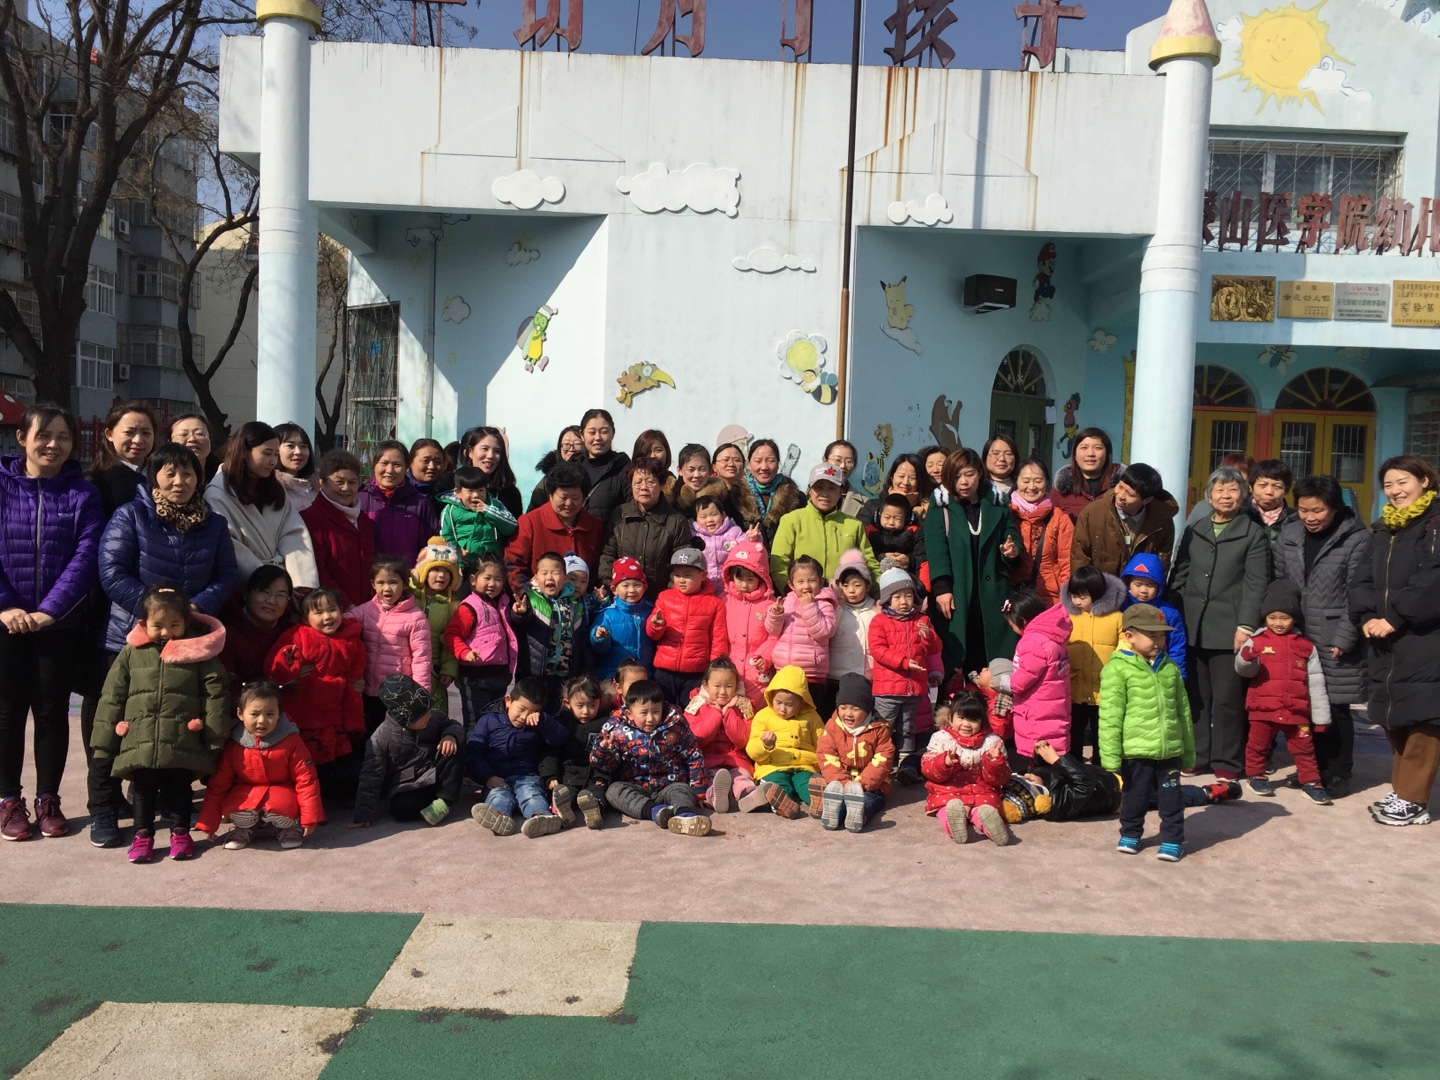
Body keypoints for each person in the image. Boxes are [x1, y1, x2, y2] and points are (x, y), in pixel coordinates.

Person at [90, 442, 238, 846]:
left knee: (176, 724)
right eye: (169, 472)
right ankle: (104, 808)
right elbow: (111, 570)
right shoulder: (132, 515)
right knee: (113, 724)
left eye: (187, 473)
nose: (179, 481)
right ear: (153, 476)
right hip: (133, 637)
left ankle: (172, 807)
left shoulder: (214, 523)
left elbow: (226, 574)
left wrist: (192, 612)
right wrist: (155, 611)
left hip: (188, 642)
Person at [0, 405, 105, 843]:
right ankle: (9, 800)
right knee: (7, 713)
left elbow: (87, 555)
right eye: (44, 435)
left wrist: (51, 611)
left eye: (63, 437)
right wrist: (6, 606)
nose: (53, 445)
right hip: (5, 624)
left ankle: (48, 799)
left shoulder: (83, 493)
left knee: (51, 711)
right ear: (22, 437)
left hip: (58, 626)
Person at [89, 586, 229, 863]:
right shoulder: (131, 653)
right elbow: (112, 697)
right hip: (140, 737)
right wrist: (105, 741)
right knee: (143, 789)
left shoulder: (199, 652)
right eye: (158, 625)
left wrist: (214, 737)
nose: (166, 632)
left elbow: (216, 693)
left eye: (174, 624)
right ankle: (142, 835)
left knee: (180, 786)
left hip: (182, 736)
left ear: (186, 622)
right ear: (144, 623)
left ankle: (180, 833)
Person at [1351, 455, 1440, 827]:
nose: (1395, 490)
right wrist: (1367, 616)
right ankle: (1403, 788)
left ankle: (1413, 799)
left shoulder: (1434, 523)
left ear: (1424, 481)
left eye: (1403, 482)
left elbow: (1433, 578)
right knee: (1394, 714)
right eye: (1388, 484)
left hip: (1424, 638)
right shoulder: (1384, 528)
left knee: (1424, 718)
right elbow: (1362, 578)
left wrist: (1395, 617)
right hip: (1385, 639)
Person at [1171, 466, 1270, 780]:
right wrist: (1171, 616)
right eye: (1219, 490)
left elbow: (1256, 583)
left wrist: (1246, 626)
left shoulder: (1252, 533)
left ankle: (1228, 761)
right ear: (1209, 496)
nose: (1226, 496)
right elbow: (1180, 574)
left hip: (1229, 627)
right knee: (1195, 697)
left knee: (1228, 700)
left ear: (1243, 495)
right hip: (1192, 624)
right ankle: (1196, 755)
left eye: (1233, 490)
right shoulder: (1196, 528)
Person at [1272, 475, 1365, 797]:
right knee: (1304, 705)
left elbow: (1358, 592)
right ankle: (1311, 770)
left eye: (1318, 510)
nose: (1310, 517)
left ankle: (1338, 772)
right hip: (1298, 633)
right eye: (1303, 510)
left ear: (1335, 508)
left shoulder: (1356, 538)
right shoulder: (1290, 534)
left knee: (1335, 706)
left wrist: (1345, 636)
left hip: (1334, 635)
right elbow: (1280, 582)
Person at [1099, 604, 1194, 861]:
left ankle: (1173, 839)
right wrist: (1110, 756)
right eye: (1152, 635)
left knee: (1172, 798)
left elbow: (1183, 712)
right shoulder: (1117, 669)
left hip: (1169, 751)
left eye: (1161, 635)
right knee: (1134, 797)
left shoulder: (1170, 668)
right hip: (1136, 751)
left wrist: (1188, 752)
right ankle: (1130, 833)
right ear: (1129, 636)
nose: (1158, 641)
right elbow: (1110, 716)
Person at [924, 448, 1022, 673]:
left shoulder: (996, 503)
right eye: (957, 476)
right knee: (957, 656)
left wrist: (1012, 550)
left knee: (993, 657)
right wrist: (942, 588)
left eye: (969, 474)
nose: (964, 482)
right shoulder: (941, 505)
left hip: (993, 594)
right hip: (956, 593)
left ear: (979, 473)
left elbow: (1012, 535)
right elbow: (936, 549)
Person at [195, 680, 324, 850]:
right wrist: (209, 823)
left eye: (270, 714)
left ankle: (290, 828)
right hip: (246, 793)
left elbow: (306, 780)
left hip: (283, 793)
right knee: (238, 810)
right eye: (255, 714)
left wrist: (309, 818)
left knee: (281, 809)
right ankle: (244, 828)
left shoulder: (292, 741)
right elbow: (218, 785)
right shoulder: (234, 744)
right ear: (240, 713)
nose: (262, 721)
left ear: (279, 714)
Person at [1235, 581, 1332, 804]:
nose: (1278, 623)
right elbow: (1243, 669)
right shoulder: (1256, 642)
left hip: (1296, 711)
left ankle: (1311, 782)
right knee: (1257, 746)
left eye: (1285, 618)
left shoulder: (1306, 646)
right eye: (1272, 617)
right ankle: (1255, 775)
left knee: (1304, 749)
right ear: (1265, 618)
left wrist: (1321, 718)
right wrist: (1247, 658)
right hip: (1263, 709)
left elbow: (1316, 684)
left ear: (1295, 618)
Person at [266, 587, 367, 799]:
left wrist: (353, 720)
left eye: (332, 610)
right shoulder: (297, 635)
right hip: (302, 714)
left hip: (335, 717)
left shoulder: (352, 640)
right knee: (303, 765)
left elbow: (354, 679)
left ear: (341, 611)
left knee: (340, 767)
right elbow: (275, 669)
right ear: (306, 618)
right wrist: (289, 667)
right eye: (319, 612)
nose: (327, 617)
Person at [1002, 738, 1238, 825]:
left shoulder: (1039, 777)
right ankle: (1207, 793)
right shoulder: (1057, 805)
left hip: (1111, 777)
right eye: (1028, 780)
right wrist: (1057, 759)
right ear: (1037, 794)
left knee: (1154, 775)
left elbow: (1045, 770)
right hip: (1119, 797)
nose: (1027, 774)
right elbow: (1083, 783)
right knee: (1165, 795)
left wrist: (1039, 754)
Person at [588, 678, 712, 835]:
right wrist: (604, 750)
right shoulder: (615, 728)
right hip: (636, 786)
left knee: (682, 790)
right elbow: (604, 766)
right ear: (629, 713)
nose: (650, 718)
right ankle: (656, 811)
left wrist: (699, 789)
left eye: (655, 712)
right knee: (614, 791)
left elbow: (693, 754)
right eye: (643, 713)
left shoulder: (674, 724)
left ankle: (685, 816)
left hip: (669, 784)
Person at [205, 421, 320, 589]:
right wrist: (272, 582)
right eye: (267, 453)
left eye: (275, 454)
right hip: (248, 585)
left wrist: (300, 584)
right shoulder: (218, 492)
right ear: (244, 452)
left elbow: (294, 534)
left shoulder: (276, 489)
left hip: (286, 583)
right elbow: (230, 545)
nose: (273, 461)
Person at [351, 674, 464, 830]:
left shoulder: (434, 717)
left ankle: (445, 801)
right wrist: (363, 815)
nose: (429, 716)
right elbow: (371, 777)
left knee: (456, 746)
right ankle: (436, 798)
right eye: (422, 717)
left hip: (436, 770)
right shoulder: (380, 739)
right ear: (405, 719)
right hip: (410, 784)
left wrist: (450, 735)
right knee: (401, 809)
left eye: (428, 710)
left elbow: (453, 725)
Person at [466, 675, 571, 839]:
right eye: (521, 709)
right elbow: (474, 752)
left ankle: (541, 817)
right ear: (508, 700)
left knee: (531, 794)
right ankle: (500, 817)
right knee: (498, 795)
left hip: (527, 776)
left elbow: (561, 738)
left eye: (533, 711)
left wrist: (544, 720)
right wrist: (487, 776)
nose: (524, 716)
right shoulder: (488, 721)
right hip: (497, 777)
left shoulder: (538, 725)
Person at [868, 566, 942, 778]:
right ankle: (876, 761)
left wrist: (928, 637)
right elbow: (877, 650)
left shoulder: (922, 620)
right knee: (883, 726)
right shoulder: (879, 621)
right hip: (887, 689)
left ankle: (905, 765)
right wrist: (904, 662)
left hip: (913, 689)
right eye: (897, 597)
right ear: (887, 600)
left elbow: (935, 649)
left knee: (908, 728)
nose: (904, 601)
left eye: (908, 596)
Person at [352, 554, 433, 734]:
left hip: (398, 694)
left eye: (393, 582)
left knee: (395, 737)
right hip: (368, 690)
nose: (387, 588)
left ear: (405, 584)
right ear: (373, 584)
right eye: (380, 582)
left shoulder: (416, 618)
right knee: (369, 735)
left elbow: (422, 659)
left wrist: (421, 696)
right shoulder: (366, 610)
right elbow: (342, 623)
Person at [920, 690, 1012, 846]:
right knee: (949, 806)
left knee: (985, 806)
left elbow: (1000, 780)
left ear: (982, 720)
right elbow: (928, 769)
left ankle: (991, 824)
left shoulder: (992, 742)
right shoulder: (941, 738)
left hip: (981, 788)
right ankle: (954, 824)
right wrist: (945, 762)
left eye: (973, 719)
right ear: (950, 718)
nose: (966, 724)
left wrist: (995, 762)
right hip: (948, 788)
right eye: (961, 718)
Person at [769, 463, 879, 593]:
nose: (825, 494)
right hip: (802, 600)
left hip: (844, 601)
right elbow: (779, 563)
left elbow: (870, 566)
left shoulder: (854, 525)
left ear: (841, 492)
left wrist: (879, 596)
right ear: (810, 490)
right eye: (819, 488)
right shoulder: (791, 521)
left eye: (831, 488)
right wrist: (792, 593)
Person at [995, 589, 1072, 768]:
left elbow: (1024, 678)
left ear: (1022, 621)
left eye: (1012, 625)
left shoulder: (1033, 641)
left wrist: (1000, 682)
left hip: (1038, 713)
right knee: (1053, 758)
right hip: (1053, 708)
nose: (1012, 629)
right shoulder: (1053, 635)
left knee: (1040, 762)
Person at [444, 553, 519, 733]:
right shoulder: (469, 606)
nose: (492, 584)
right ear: (472, 580)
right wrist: (465, 652)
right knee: (476, 723)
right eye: (487, 578)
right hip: (475, 678)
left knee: (495, 722)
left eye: (498, 579)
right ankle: (472, 751)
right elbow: (452, 635)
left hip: (500, 676)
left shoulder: (503, 604)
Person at [504, 462, 604, 594]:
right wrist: (529, 595)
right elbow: (512, 564)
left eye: (575, 498)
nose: (569, 503)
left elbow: (597, 569)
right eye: (563, 497)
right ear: (551, 495)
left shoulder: (594, 526)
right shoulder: (530, 522)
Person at [646, 547, 728, 706]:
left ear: (703, 575)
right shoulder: (665, 597)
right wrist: (656, 625)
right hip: (664, 670)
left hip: (695, 674)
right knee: (662, 709)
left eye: (687, 575)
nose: (681, 580)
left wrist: (714, 670)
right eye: (677, 575)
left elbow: (718, 640)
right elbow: (652, 634)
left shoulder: (715, 604)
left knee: (691, 712)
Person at [739, 665, 823, 819]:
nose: (783, 709)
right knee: (777, 785)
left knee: (807, 783)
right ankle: (782, 804)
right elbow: (752, 750)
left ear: (801, 702)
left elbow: (822, 745)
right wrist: (765, 745)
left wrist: (823, 765)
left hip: (804, 766)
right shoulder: (763, 716)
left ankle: (820, 802)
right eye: (778, 702)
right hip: (773, 766)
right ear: (771, 697)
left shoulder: (812, 717)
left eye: (789, 705)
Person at [598, 459, 691, 598]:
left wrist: (667, 598)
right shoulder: (620, 514)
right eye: (638, 482)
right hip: (623, 599)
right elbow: (608, 555)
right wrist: (612, 589)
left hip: (660, 600)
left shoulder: (676, 521)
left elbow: (680, 565)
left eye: (650, 482)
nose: (643, 487)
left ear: (662, 484)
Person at [1062, 566, 1127, 765]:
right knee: (1074, 733)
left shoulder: (1116, 617)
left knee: (1103, 735)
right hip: (1075, 688)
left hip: (1104, 689)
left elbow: (1125, 646)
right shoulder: (1067, 616)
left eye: (1082, 596)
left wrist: (1116, 672)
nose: (1077, 601)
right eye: (1074, 596)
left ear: (1097, 593)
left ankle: (1101, 769)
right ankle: (1074, 769)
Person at [509, 551, 589, 709]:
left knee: (558, 715)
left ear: (565, 578)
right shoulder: (530, 598)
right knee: (532, 713)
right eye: (544, 573)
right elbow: (519, 622)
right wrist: (520, 613)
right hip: (534, 673)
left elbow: (580, 639)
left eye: (556, 573)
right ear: (536, 577)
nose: (550, 577)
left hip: (564, 675)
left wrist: (582, 670)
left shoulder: (574, 603)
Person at [1070, 462, 1178, 578]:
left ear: (1147, 500)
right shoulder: (1093, 513)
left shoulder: (1162, 522)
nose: (1121, 496)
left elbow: (1161, 566)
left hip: (1140, 588)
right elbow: (1079, 558)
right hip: (1101, 587)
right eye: (1120, 487)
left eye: (1130, 494)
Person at [815, 673, 893, 833]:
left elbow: (883, 759)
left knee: (870, 801)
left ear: (867, 708)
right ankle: (833, 813)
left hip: (871, 785)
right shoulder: (833, 726)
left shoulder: (879, 728)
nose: (848, 713)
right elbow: (826, 755)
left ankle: (859, 815)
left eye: (855, 709)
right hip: (840, 780)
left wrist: (861, 784)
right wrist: (843, 782)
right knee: (837, 795)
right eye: (843, 707)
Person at [301, 449, 376, 609]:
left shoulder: (363, 519)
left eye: (352, 482)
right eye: (339, 482)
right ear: (322, 482)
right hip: (332, 610)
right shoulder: (311, 518)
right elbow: (317, 570)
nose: (346, 488)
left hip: (367, 609)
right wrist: (345, 604)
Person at [764, 555, 838, 716]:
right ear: (791, 585)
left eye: (811, 581)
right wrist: (775, 614)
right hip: (784, 671)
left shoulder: (825, 603)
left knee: (809, 716)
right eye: (800, 582)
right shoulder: (788, 601)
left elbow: (823, 632)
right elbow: (773, 631)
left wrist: (809, 606)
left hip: (811, 674)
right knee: (784, 715)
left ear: (821, 581)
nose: (806, 586)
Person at [684, 658, 756, 812]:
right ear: (706, 686)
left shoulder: (743, 706)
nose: (723, 692)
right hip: (707, 759)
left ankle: (749, 795)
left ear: (736, 686)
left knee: (741, 777)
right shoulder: (696, 705)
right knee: (711, 778)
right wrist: (716, 714)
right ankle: (716, 797)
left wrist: (728, 712)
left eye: (729, 686)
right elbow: (698, 738)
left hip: (735, 758)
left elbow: (742, 740)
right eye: (717, 686)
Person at [539, 675, 609, 829]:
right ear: (567, 703)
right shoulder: (560, 724)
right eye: (580, 706)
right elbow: (551, 752)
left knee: (596, 793)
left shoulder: (606, 723)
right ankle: (563, 812)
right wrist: (550, 775)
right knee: (564, 794)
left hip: (594, 774)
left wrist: (603, 776)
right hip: (568, 775)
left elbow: (611, 756)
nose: (586, 711)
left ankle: (595, 810)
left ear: (600, 702)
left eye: (592, 705)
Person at [357, 439, 440, 565]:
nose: (390, 470)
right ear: (374, 465)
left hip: (408, 575)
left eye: (397, 465)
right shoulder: (359, 500)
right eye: (384, 463)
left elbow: (430, 546)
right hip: (370, 575)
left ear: (406, 467)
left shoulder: (420, 503)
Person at [720, 540, 777, 708]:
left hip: (757, 672)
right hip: (730, 671)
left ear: (761, 577)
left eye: (750, 579)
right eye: (739, 579)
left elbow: (775, 636)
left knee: (757, 712)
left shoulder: (769, 604)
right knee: (731, 713)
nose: (744, 585)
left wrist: (765, 656)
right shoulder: (724, 600)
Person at [1009, 457, 1073, 605]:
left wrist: (1065, 600)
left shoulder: (1059, 518)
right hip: (1015, 600)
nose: (1032, 487)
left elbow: (1067, 563)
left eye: (1038, 481)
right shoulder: (1007, 515)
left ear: (1047, 482)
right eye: (1026, 481)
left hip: (1051, 600)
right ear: (1016, 482)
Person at [439, 466, 519, 573]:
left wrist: (488, 511)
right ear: (458, 492)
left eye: (481, 490)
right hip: (464, 565)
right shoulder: (450, 510)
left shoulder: (494, 505)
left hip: (492, 565)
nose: (476, 495)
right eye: (470, 491)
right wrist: (458, 556)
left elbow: (512, 527)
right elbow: (446, 536)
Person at [1119, 554, 1188, 679]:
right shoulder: (1120, 607)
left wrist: (1178, 676)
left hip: (1158, 671)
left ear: (1159, 586)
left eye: (1150, 585)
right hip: (1123, 670)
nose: (1144, 590)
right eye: (1138, 584)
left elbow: (1176, 647)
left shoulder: (1169, 613)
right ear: (1128, 583)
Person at [88, 400, 159, 515]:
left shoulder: (163, 474)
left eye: (146, 433)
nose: (138, 440)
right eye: (129, 432)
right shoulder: (96, 480)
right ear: (109, 434)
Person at [589, 557, 654, 682]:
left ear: (645, 587)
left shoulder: (652, 611)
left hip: (644, 676)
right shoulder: (607, 614)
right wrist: (599, 637)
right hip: (614, 676)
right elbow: (600, 649)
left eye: (637, 585)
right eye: (625, 586)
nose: (632, 590)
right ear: (615, 590)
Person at [733, 439, 804, 549]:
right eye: (758, 461)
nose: (764, 467)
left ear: (778, 463)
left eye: (770, 461)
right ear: (749, 464)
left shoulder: (796, 498)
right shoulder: (735, 496)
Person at [412, 539, 462, 695]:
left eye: (447, 571)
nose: (442, 575)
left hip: (434, 670)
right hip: (406, 665)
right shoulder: (408, 597)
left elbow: (451, 639)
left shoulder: (453, 606)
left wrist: (448, 669)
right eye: (436, 569)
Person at [452, 426, 523, 520]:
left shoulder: (510, 494)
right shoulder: (450, 483)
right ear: (470, 452)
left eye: (497, 451)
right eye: (485, 449)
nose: (490, 456)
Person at [1051, 428, 1123, 520]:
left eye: (1098, 448)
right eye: (1084, 448)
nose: (1090, 454)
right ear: (1075, 455)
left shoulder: (1122, 488)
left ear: (1107, 454)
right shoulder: (1060, 491)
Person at [574, 410, 630, 526]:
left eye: (604, 432)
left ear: (613, 433)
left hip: (609, 537)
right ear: (582, 435)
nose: (598, 437)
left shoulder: (625, 470)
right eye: (592, 432)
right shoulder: (572, 468)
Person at [829, 549, 876, 683]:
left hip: (867, 676)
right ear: (838, 586)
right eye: (845, 585)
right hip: (837, 677)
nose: (851, 590)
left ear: (867, 586)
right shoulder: (835, 610)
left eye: (857, 585)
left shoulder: (875, 611)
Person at [691, 494, 746, 593]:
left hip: (728, 585)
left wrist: (753, 538)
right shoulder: (693, 534)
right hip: (702, 585)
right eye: (703, 517)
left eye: (714, 514)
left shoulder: (733, 531)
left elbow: (748, 547)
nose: (709, 520)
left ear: (723, 515)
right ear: (696, 519)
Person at [527, 426, 585, 512]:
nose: (571, 449)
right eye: (566, 444)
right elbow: (534, 511)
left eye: (577, 444)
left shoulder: (593, 474)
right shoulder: (548, 479)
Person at [671, 443, 737, 520]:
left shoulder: (723, 497)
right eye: (691, 470)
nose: (696, 475)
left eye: (702, 469)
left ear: (710, 469)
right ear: (679, 470)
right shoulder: (672, 498)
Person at [1245, 460, 1297, 551]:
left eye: (1276, 486)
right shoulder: (1241, 516)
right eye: (1263, 485)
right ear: (1251, 487)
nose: (1269, 492)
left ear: (1286, 490)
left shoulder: (1295, 519)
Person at [866, 494, 923, 573]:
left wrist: (910, 560)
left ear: (906, 518)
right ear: (879, 515)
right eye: (887, 517)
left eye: (898, 519)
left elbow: (922, 558)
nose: (891, 522)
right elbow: (863, 556)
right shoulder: (869, 532)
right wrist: (878, 556)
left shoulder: (914, 532)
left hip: (907, 575)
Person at [273, 422, 318, 511]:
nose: (298, 452)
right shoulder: (270, 489)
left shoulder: (320, 489)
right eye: (290, 446)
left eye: (303, 446)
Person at [169, 413, 221, 483]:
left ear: (210, 439)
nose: (192, 439)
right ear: (170, 441)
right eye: (183, 434)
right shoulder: (160, 475)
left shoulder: (225, 477)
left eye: (199, 434)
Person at [824, 439, 867, 518]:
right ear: (824, 461)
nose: (843, 466)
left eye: (849, 461)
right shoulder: (809, 496)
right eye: (837, 460)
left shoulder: (865, 502)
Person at [631, 429, 676, 499]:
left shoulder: (676, 487)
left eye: (658, 450)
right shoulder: (626, 481)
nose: (652, 456)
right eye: (647, 451)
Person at [407, 438, 449, 505]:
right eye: (425, 461)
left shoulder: (450, 494)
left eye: (438, 462)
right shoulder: (399, 491)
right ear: (410, 462)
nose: (431, 466)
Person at [982, 434, 1019, 506]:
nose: (1002, 459)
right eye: (995, 453)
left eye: (1008, 454)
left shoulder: (1023, 489)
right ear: (985, 457)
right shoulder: (977, 487)